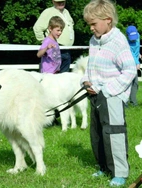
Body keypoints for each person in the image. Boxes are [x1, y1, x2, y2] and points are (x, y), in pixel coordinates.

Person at [81, 0, 137, 186]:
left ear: (108, 20)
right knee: (97, 133)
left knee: (114, 133)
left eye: (93, 23)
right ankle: (103, 167)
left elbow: (129, 71)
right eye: (89, 24)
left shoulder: (118, 42)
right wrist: (86, 81)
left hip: (112, 95)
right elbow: (91, 65)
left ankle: (120, 172)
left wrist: (107, 90)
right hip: (95, 95)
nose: (91, 28)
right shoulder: (94, 41)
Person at [33, 0, 74, 73]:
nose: (61, 3)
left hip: (67, 50)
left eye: (63, 1)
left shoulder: (66, 12)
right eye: (58, 2)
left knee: (63, 78)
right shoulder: (48, 12)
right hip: (55, 49)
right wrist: (45, 42)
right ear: (53, 2)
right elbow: (37, 28)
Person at [126, 25, 141, 107]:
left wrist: (138, 54)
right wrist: (137, 63)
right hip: (129, 63)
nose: (134, 38)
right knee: (128, 83)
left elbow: (137, 47)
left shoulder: (138, 36)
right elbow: (131, 53)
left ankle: (133, 102)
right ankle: (125, 102)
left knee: (135, 83)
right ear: (127, 36)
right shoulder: (126, 43)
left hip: (135, 60)